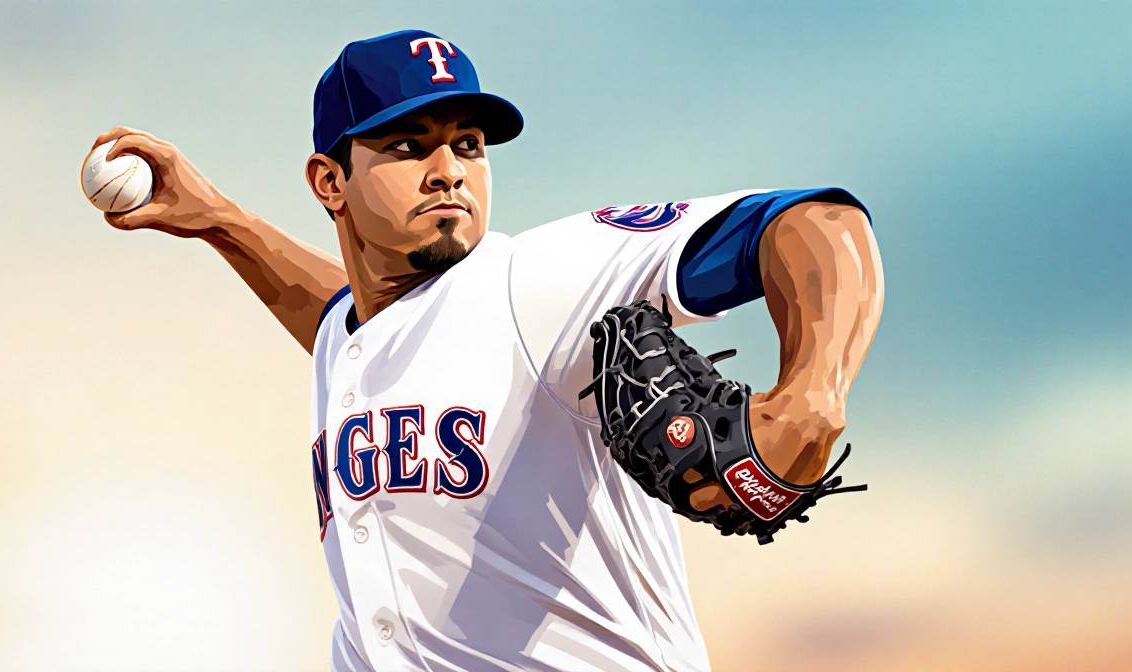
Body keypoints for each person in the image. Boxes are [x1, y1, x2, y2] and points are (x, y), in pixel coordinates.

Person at [90, 29, 883, 672]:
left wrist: (811, 396)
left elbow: (815, 224)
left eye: (467, 144)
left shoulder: (540, 280)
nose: (449, 173)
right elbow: (352, 316)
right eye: (408, 146)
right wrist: (218, 221)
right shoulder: (354, 335)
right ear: (329, 183)